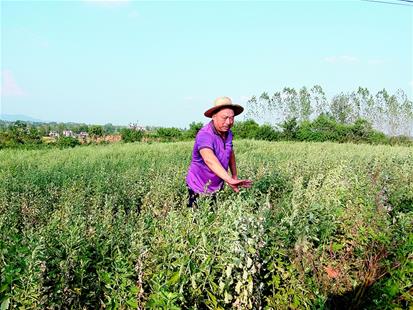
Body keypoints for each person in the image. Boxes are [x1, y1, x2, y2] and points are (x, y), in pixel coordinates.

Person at [186, 96, 252, 208]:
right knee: (197, 221)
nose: (229, 122)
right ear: (214, 116)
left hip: (216, 185)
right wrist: (229, 180)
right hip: (198, 186)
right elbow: (209, 159)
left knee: (213, 216)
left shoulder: (228, 133)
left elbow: (230, 152)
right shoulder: (205, 134)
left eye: (232, 118)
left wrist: (234, 175)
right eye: (225, 118)